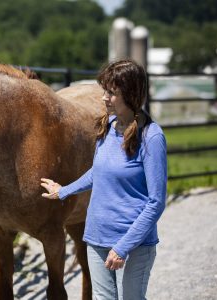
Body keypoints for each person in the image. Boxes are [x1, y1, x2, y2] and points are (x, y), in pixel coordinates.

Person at [41, 59, 167, 300]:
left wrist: (123, 247)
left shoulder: (151, 137)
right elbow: (98, 172)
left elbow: (156, 201)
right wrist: (64, 190)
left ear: (130, 95)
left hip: (134, 243)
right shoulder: (106, 127)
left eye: (111, 93)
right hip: (97, 237)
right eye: (104, 91)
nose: (104, 98)